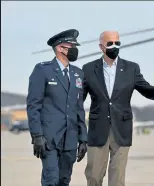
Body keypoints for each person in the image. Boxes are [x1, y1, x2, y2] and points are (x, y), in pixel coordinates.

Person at [82, 30, 154, 186]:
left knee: (117, 179)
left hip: (122, 129)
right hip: (97, 129)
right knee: (93, 176)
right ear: (101, 46)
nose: (114, 46)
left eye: (117, 43)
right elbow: (78, 99)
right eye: (110, 43)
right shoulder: (88, 69)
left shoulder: (131, 68)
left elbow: (146, 89)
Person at [26, 29, 88, 186]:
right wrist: (36, 135)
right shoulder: (43, 70)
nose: (75, 50)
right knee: (51, 180)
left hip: (70, 138)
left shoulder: (77, 74)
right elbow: (33, 105)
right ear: (60, 48)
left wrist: (83, 139)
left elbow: (79, 108)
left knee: (64, 180)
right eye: (71, 46)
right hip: (49, 139)